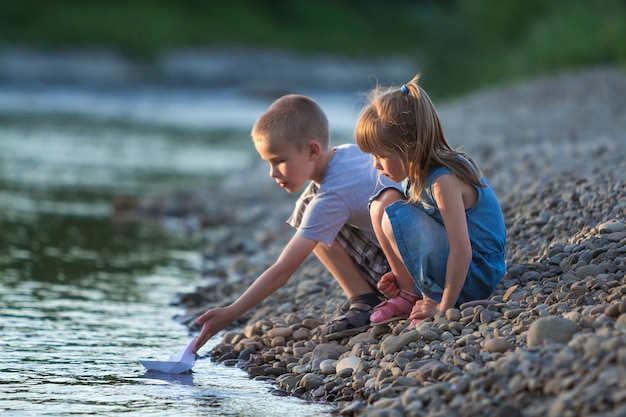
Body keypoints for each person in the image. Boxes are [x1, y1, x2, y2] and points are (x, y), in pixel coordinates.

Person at [193, 94, 402, 352]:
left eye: (279, 160)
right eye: (268, 163)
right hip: (413, 252)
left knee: (309, 214)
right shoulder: (347, 153)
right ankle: (366, 295)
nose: (273, 172)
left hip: (404, 274)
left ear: (312, 150)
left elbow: (283, 270)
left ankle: (363, 299)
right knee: (308, 206)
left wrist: (232, 311)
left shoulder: (333, 194)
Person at [355, 74, 506, 326]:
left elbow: (462, 250)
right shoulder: (416, 172)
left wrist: (443, 308)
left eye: (381, 155)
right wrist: (402, 272)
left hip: (477, 272)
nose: (376, 165)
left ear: (410, 145)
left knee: (396, 215)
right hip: (459, 265)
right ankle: (407, 292)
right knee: (380, 205)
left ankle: (437, 298)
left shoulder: (442, 180)